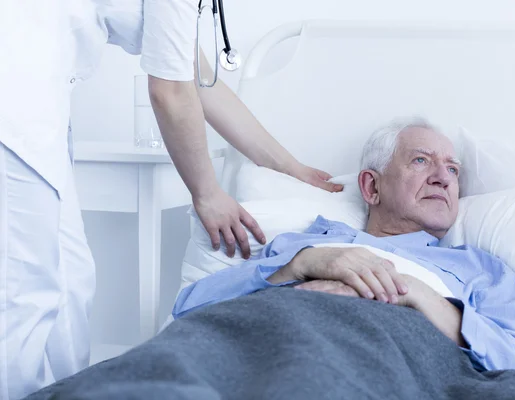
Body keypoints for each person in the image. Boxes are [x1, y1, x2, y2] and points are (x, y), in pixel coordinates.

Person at [0, 1, 339, 399]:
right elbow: (170, 90)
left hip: (31, 111)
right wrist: (207, 193)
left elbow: (195, 77)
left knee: (72, 282)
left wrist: (289, 166)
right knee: (23, 296)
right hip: (15, 109)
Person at [173, 117, 515, 374]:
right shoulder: (306, 246)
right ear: (372, 187)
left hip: (391, 364)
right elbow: (189, 311)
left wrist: (416, 294)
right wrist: (301, 265)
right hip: (273, 348)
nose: (443, 178)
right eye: (421, 160)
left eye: (453, 169)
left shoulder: (482, 270)